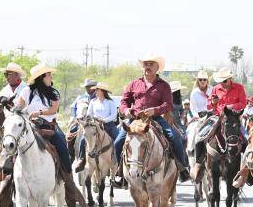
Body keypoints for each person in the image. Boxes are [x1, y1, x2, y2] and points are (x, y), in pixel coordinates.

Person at [14, 63, 86, 207]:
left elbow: (53, 109)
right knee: (11, 147)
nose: (51, 77)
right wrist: (23, 112)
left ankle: (69, 183)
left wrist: (39, 112)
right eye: (49, 75)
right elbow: (18, 108)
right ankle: (8, 181)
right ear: (42, 77)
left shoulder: (53, 92)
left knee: (63, 147)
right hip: (30, 127)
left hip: (49, 126)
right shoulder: (27, 91)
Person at [113, 54, 190, 182]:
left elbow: (168, 104)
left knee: (175, 137)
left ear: (157, 67)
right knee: (118, 142)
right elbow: (124, 101)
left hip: (155, 119)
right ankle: (119, 172)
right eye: (146, 64)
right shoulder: (134, 84)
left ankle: (182, 168)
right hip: (135, 119)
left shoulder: (164, 85)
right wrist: (126, 110)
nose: (148, 67)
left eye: (151, 64)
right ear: (142, 67)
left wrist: (154, 110)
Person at [0, 62, 28, 181]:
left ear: (17, 75)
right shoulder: (4, 90)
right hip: (6, 125)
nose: (7, 77)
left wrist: (12, 105)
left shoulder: (25, 89)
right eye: (6, 74)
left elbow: (28, 107)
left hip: (22, 123)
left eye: (8, 74)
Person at [75, 82, 119, 174]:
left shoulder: (110, 102)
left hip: (108, 125)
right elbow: (89, 114)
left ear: (102, 91)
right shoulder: (93, 102)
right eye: (95, 89)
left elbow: (114, 115)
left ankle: (117, 163)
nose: (95, 91)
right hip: (94, 126)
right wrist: (91, 119)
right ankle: (81, 159)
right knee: (83, 139)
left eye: (97, 89)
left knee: (118, 140)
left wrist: (103, 120)